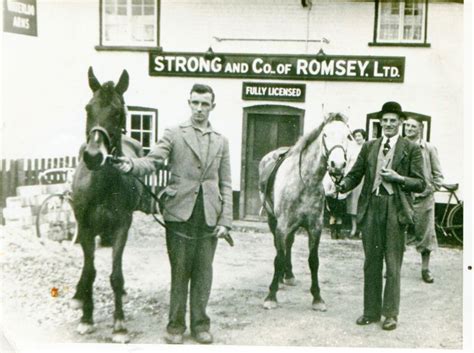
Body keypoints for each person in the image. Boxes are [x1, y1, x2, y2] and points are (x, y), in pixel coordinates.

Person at [113, 83, 232, 344]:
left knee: (204, 272)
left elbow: (225, 183)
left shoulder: (221, 141)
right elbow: (153, 160)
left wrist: (226, 221)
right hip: (179, 214)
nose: (200, 109)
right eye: (195, 103)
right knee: (179, 272)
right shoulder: (174, 133)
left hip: (209, 216)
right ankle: (175, 327)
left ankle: (200, 325)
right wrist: (131, 165)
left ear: (213, 106)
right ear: (188, 103)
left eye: (205, 104)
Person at [337, 101, 425, 331]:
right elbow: (356, 173)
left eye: (393, 121)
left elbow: (421, 183)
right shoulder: (369, 146)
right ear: (380, 123)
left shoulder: (411, 149)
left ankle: (390, 314)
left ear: (400, 123)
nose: (388, 124)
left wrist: (398, 178)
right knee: (371, 263)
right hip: (371, 207)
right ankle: (370, 311)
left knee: (393, 264)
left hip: (396, 209)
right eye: (384, 121)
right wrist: (343, 184)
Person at [404, 116, 444, 283]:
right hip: (403, 197)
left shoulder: (428, 148)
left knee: (425, 235)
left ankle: (425, 269)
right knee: (396, 233)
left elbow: (438, 175)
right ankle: (392, 268)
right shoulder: (399, 146)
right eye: (407, 126)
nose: (410, 129)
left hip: (423, 199)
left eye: (413, 126)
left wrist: (430, 189)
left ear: (420, 128)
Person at [345, 129, 367, 238]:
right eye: (356, 136)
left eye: (359, 136)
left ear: (364, 137)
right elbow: (348, 164)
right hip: (353, 179)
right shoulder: (351, 149)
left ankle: (362, 229)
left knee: (362, 204)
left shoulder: (367, 148)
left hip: (364, 179)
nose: (358, 138)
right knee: (352, 205)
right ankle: (354, 228)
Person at [323, 173, 348, 239]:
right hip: (333, 200)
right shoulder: (329, 178)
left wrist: (344, 194)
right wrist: (332, 192)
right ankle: (333, 233)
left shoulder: (344, 177)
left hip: (341, 199)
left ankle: (338, 232)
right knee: (333, 217)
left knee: (339, 217)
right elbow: (326, 192)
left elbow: (347, 189)